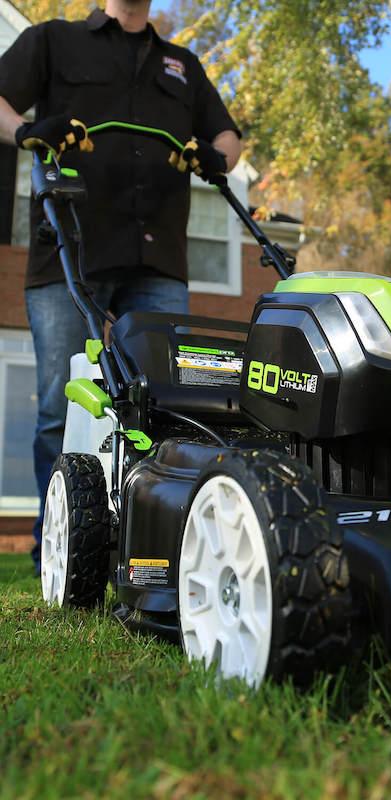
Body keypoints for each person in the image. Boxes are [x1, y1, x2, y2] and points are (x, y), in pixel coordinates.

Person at [0, 0, 243, 574]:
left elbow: (228, 137)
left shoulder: (180, 64)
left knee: (174, 405)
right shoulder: (52, 40)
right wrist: (30, 130)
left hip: (157, 260)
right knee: (62, 406)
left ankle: (159, 547)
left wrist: (215, 157)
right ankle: (59, 544)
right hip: (68, 246)